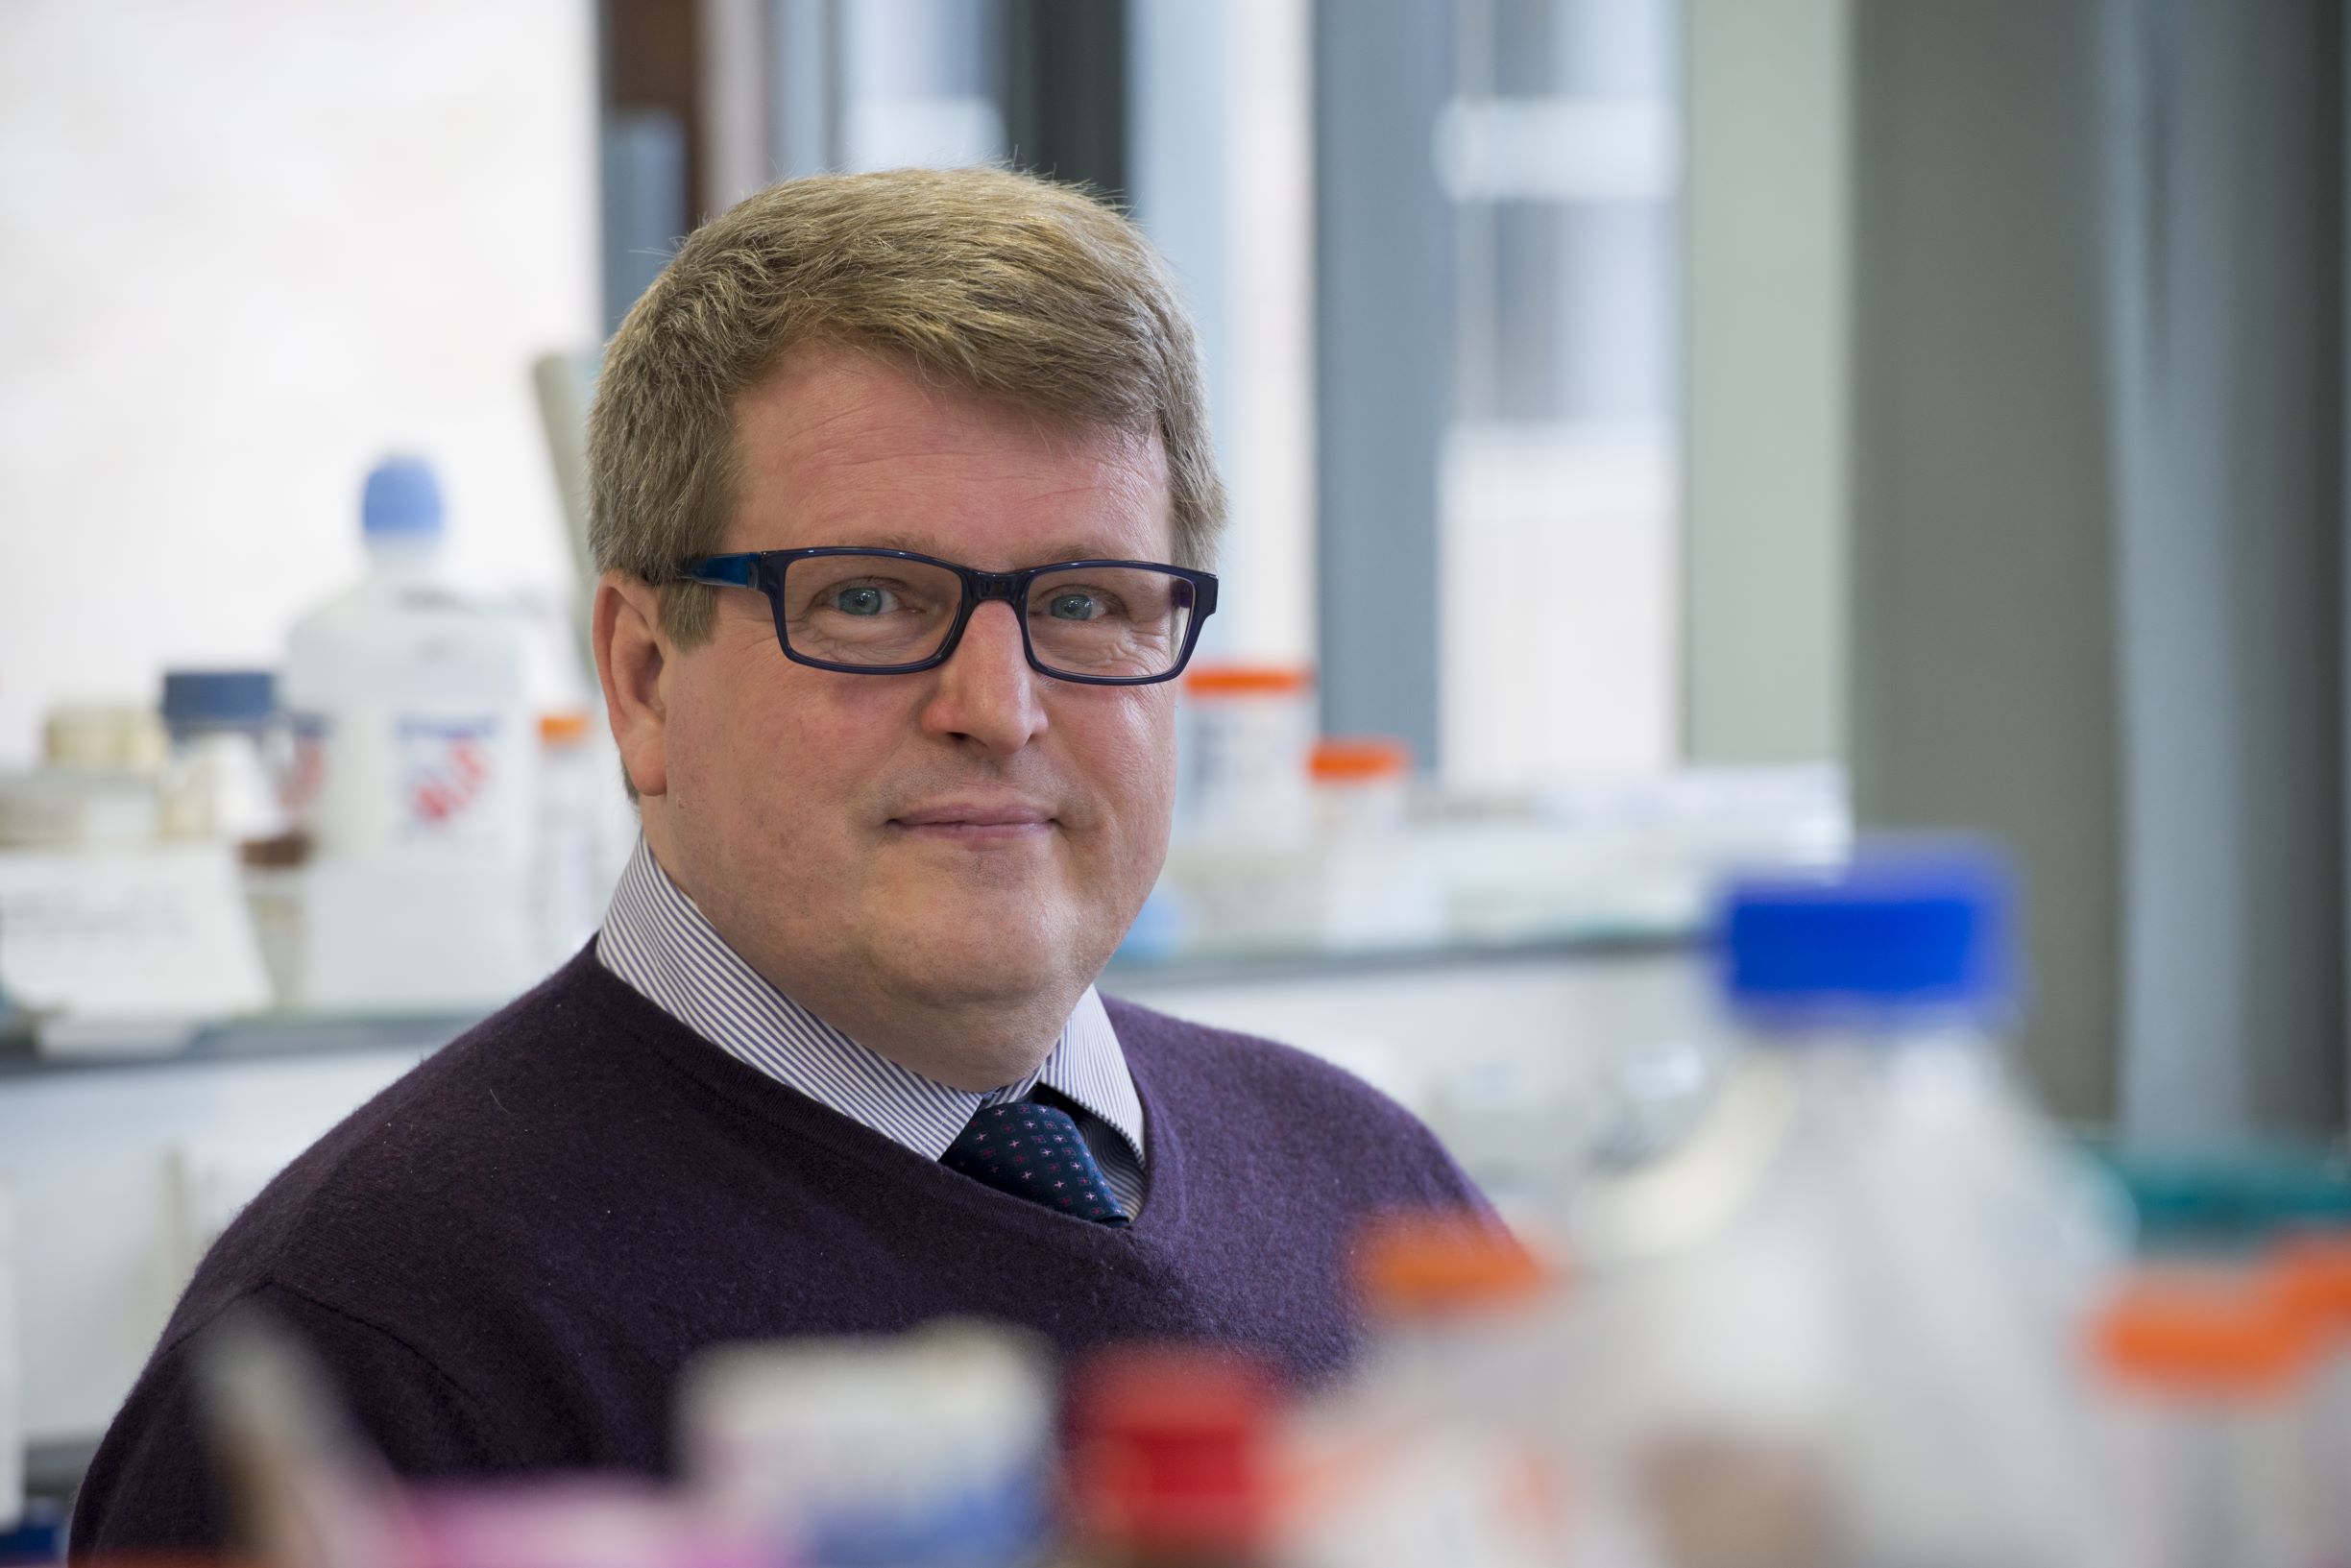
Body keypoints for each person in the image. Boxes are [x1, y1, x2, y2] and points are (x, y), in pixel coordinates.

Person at [70, 166, 1490, 1556]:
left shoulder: (1371, 1190)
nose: (996, 707)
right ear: (640, 677)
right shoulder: (375, 1351)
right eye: (868, 599)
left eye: (1089, 601)